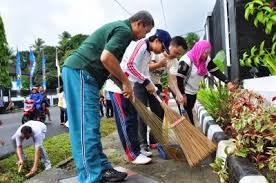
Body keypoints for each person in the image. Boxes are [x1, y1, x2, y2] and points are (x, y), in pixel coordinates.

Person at [62, 10, 154, 183]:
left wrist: (124, 85)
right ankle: (91, 177)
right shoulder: (125, 31)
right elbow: (107, 58)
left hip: (85, 75)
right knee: (85, 128)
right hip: (80, 72)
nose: (144, 36)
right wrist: (126, 82)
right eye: (146, 32)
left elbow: (109, 66)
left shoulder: (121, 29)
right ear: (139, 24)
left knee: (92, 126)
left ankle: (103, 169)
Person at [136, 36, 187, 151]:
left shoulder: (174, 61)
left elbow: (172, 80)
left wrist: (178, 94)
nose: (176, 55)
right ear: (170, 45)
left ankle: (154, 140)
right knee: (142, 112)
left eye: (179, 54)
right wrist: (159, 64)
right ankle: (142, 143)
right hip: (141, 82)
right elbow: (143, 68)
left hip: (156, 85)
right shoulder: (156, 52)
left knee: (159, 111)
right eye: (176, 52)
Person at [173, 40, 234, 125]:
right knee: (188, 117)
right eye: (205, 52)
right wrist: (182, 95)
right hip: (184, 92)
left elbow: (216, 71)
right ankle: (191, 135)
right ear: (199, 50)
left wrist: (227, 82)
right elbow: (179, 79)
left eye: (208, 53)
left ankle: (190, 133)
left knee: (189, 114)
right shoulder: (186, 60)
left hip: (193, 91)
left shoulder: (206, 60)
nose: (206, 55)